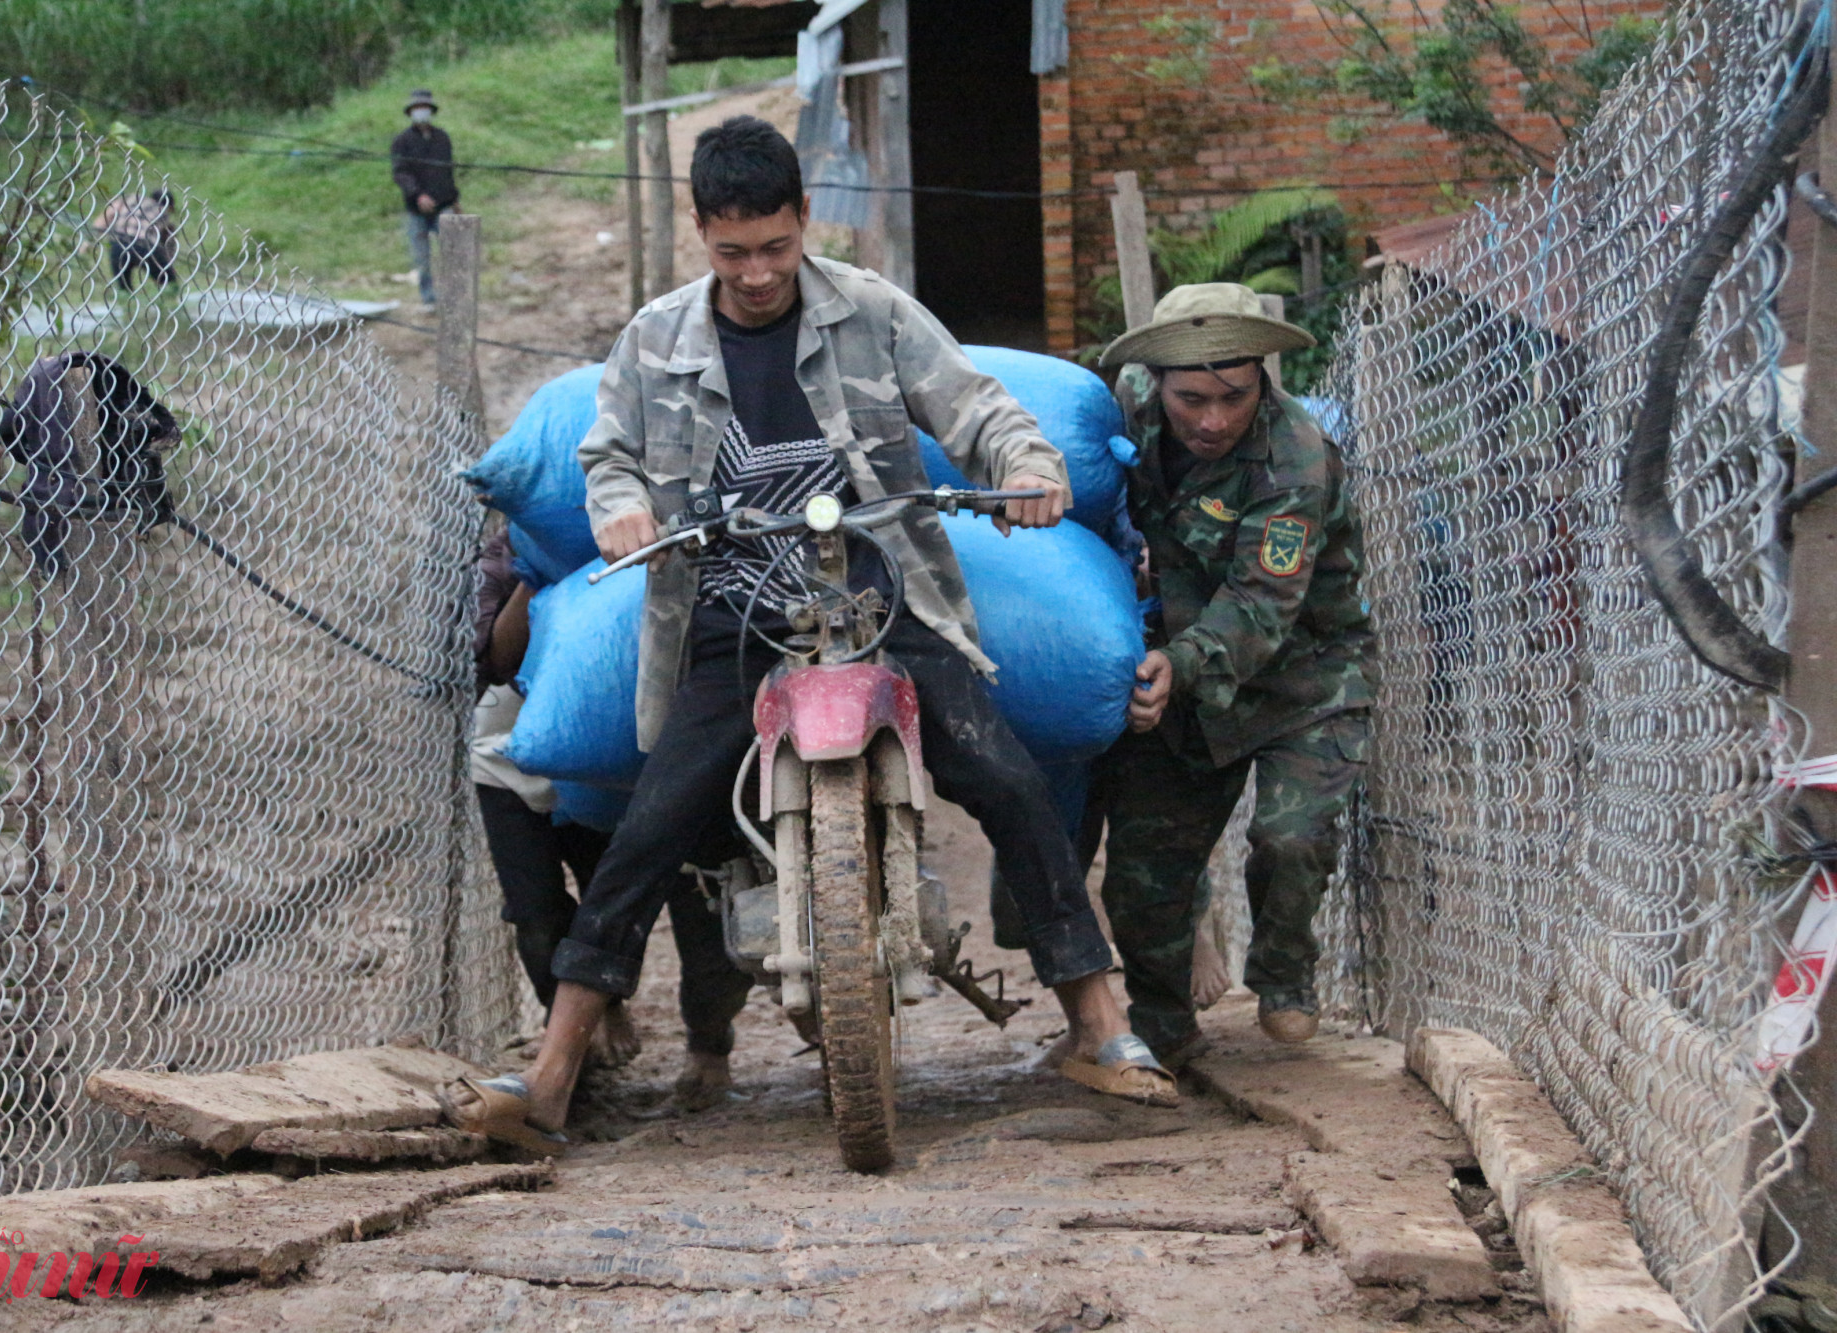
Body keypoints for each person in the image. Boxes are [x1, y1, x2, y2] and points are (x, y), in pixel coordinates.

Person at [445, 115, 1177, 1152]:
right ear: (701, 232)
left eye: (775, 247)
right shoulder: (655, 338)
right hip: (727, 619)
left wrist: (1029, 465)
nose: (756, 273)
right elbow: (606, 455)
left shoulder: (872, 311)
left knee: (1006, 779)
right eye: (732, 251)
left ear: (802, 220)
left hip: (884, 603)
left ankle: (1099, 1026)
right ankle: (553, 1072)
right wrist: (620, 507)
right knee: (650, 828)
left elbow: (978, 408)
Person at [1092, 282, 1378, 1062]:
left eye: (1234, 397)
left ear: (1262, 380)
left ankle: (1284, 970)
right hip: (1181, 677)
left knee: (1290, 839)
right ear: (1156, 383)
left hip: (1304, 678)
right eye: (1192, 399)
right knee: (1145, 871)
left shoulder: (1296, 460)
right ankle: (1163, 1024)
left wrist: (1176, 663)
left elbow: (1261, 603)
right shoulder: (1125, 407)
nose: (1213, 419)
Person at [468, 530, 754, 1108]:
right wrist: (534, 569)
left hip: (648, 749)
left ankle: (709, 1044)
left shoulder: (689, 529)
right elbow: (497, 661)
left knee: (701, 909)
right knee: (537, 914)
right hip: (519, 750)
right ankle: (583, 1033)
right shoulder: (521, 538)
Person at [391, 89, 457, 309]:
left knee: (452, 253)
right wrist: (418, 194)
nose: (421, 111)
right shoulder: (402, 141)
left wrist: (454, 199)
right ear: (411, 112)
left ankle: (454, 297)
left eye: (424, 108)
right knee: (422, 258)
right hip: (416, 209)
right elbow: (400, 173)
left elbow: (447, 171)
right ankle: (428, 298)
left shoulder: (442, 138)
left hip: (444, 205)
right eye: (417, 108)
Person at [97, 190, 177, 291]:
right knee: (169, 283)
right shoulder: (163, 211)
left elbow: (107, 215)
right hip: (145, 245)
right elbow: (168, 247)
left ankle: (124, 295)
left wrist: (94, 237)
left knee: (124, 286)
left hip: (119, 242)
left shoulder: (131, 199)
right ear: (169, 207)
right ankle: (170, 295)